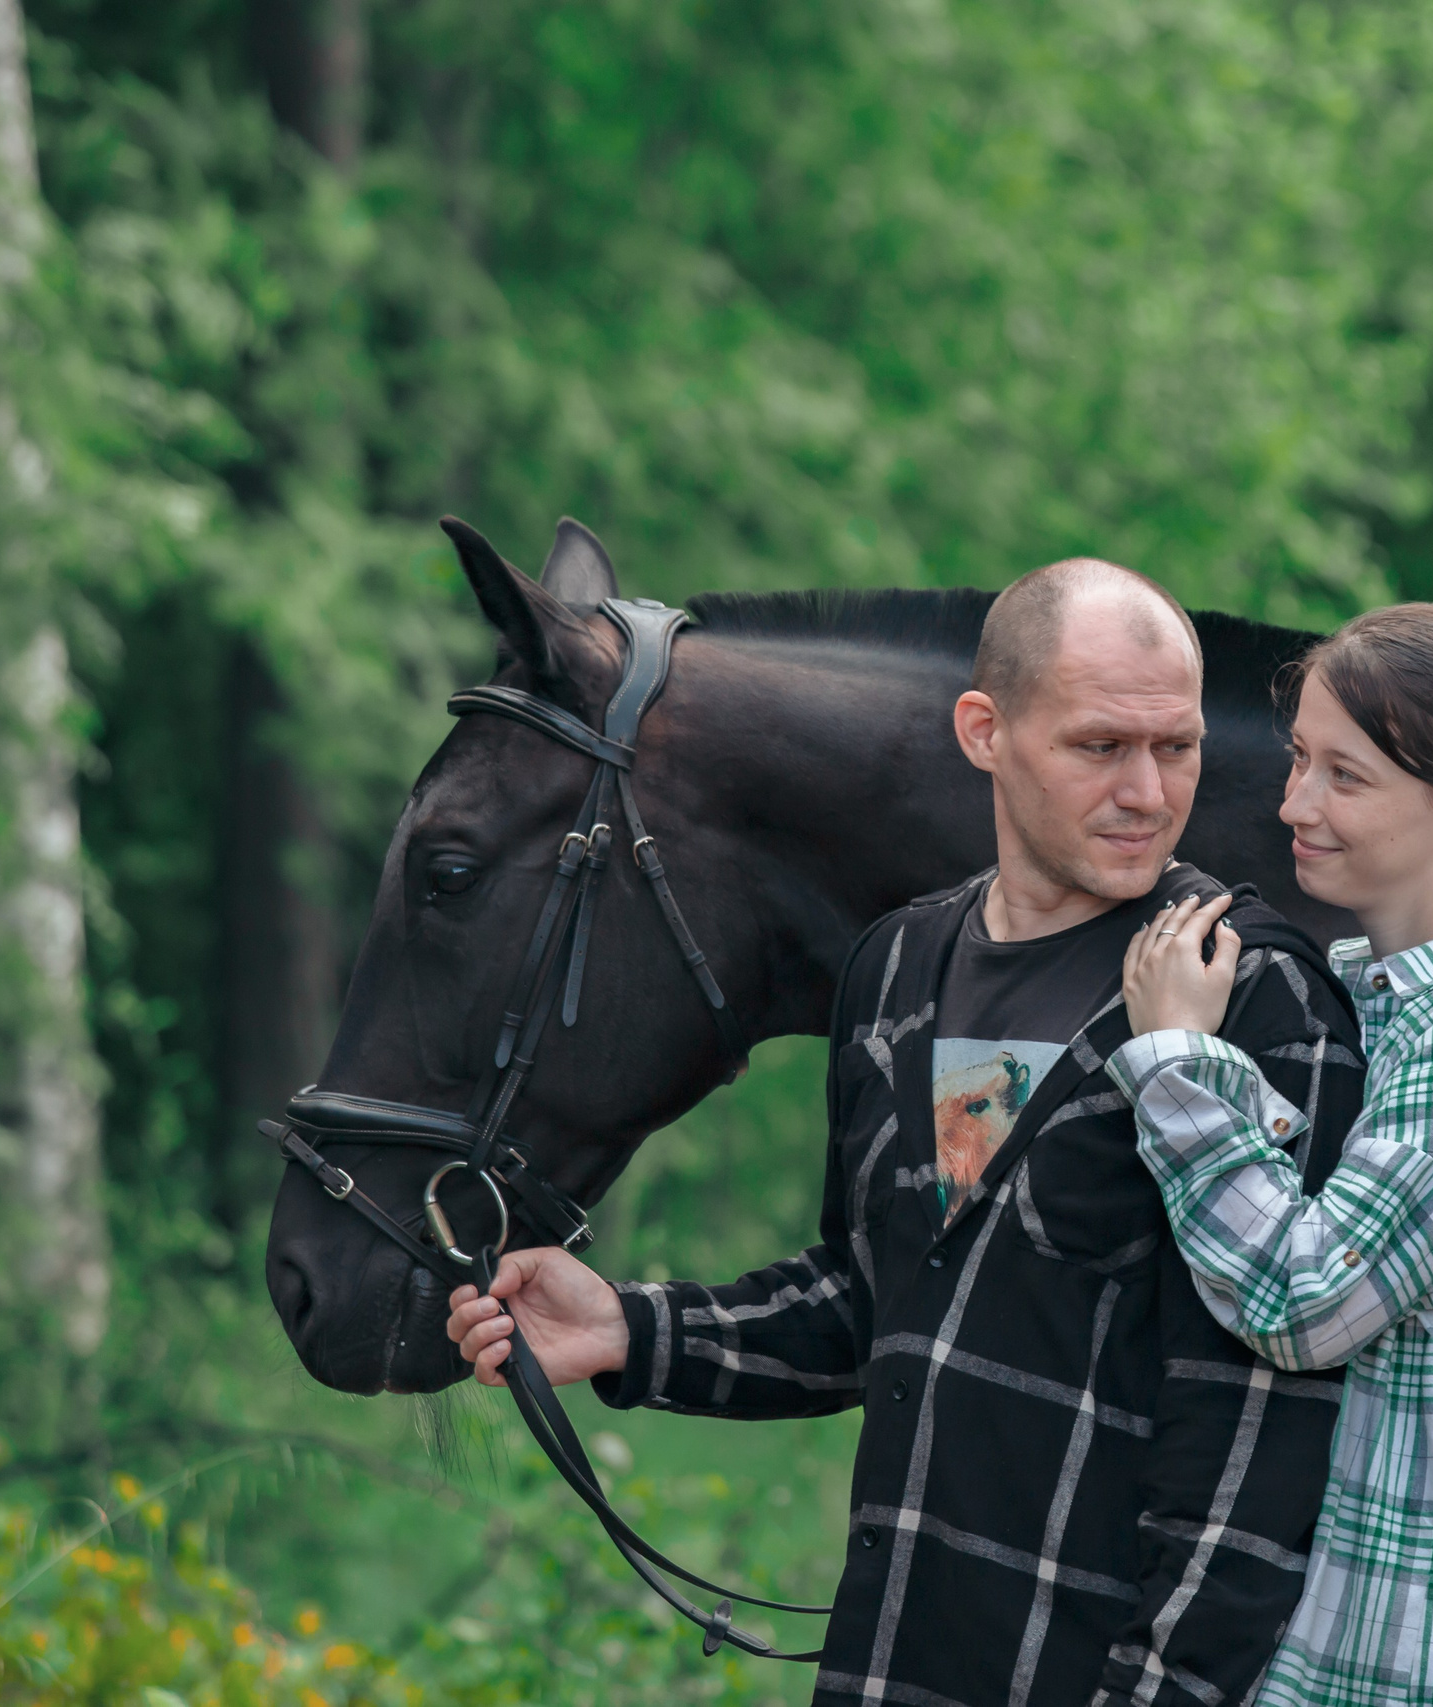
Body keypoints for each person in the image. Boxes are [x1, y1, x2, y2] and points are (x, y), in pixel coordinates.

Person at [443, 560, 1367, 1707]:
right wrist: (628, 1328)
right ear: (984, 732)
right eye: (1099, 747)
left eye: (1174, 747)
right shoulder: (900, 966)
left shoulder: (1246, 998)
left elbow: (1255, 1452)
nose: (1146, 791)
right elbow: (889, 1299)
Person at [1107, 603, 1433, 1707]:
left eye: (1345, 776)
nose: (1295, 803)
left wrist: (1175, 1061)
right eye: (1300, 759)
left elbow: (1305, 1301)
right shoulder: (1400, 1009)